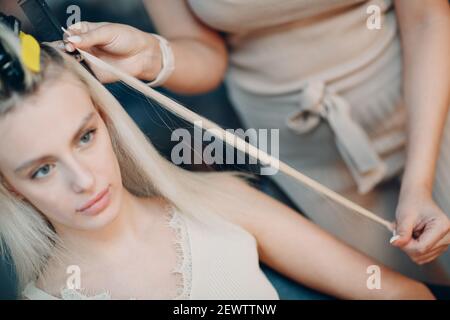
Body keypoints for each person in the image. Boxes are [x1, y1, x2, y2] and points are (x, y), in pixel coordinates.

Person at [0, 24, 436, 300]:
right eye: (42, 169)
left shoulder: (220, 203)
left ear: (106, 121)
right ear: (10, 186)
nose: (84, 180)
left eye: (85, 137)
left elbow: (402, 294)